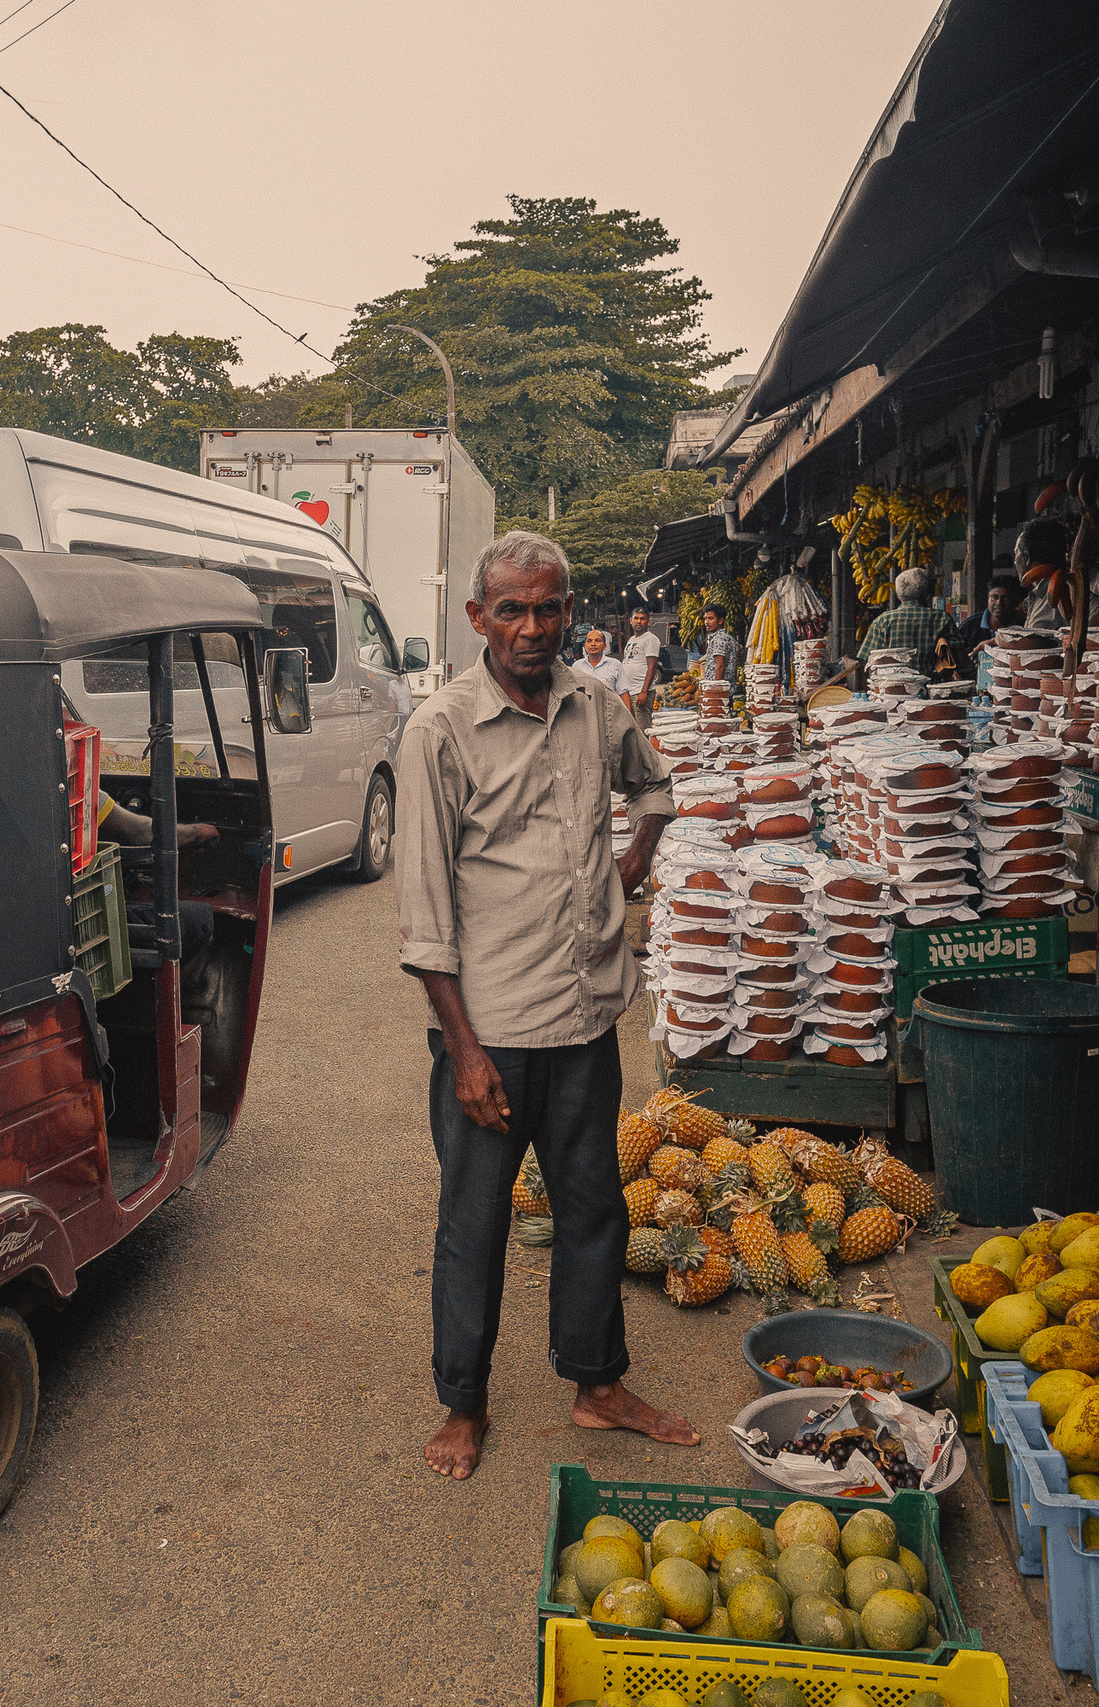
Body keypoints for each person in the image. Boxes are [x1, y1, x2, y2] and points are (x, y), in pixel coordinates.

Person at [394, 530, 698, 1481]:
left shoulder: (594, 705)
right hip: (490, 1033)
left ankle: (597, 1383)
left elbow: (656, 784)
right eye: (513, 610)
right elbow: (426, 915)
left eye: (550, 607)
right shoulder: (439, 732)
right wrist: (466, 1050)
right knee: (474, 1223)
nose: (533, 627)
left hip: (583, 1019)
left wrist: (635, 862)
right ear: (479, 618)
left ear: (571, 612)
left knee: (594, 1207)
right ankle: (462, 1403)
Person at [94, 781, 218, 961]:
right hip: (82, 924)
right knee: (199, 917)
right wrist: (198, 832)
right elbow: (143, 832)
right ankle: (153, 988)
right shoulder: (80, 788)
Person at [852, 568, 945, 687]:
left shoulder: (883, 621)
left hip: (891, 692)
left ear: (899, 594)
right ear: (925, 593)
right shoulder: (941, 618)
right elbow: (958, 657)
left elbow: (866, 660)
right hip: (933, 692)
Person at [943, 575, 1024, 675]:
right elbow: (952, 661)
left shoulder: (1022, 627)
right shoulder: (969, 627)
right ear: (988, 598)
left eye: (1005, 598)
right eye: (994, 597)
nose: (999, 602)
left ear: (1014, 601)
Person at [622, 608, 663, 724]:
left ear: (648, 622)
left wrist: (643, 692)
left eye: (642, 619)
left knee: (642, 729)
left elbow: (652, 666)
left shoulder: (650, 639)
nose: (638, 622)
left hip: (641, 691)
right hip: (630, 691)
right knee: (632, 727)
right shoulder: (632, 639)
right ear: (631, 620)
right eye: (636, 618)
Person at [570, 625, 626, 697]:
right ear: (585, 646)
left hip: (608, 707)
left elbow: (623, 693)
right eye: (589, 641)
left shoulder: (615, 665)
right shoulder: (577, 666)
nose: (593, 644)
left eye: (597, 640)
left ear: (604, 646)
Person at [697, 602, 741, 683]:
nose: (706, 622)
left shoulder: (718, 639)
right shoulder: (729, 638)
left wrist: (716, 687)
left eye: (710, 618)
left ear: (720, 621)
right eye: (705, 618)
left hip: (719, 691)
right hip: (727, 688)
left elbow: (720, 666)